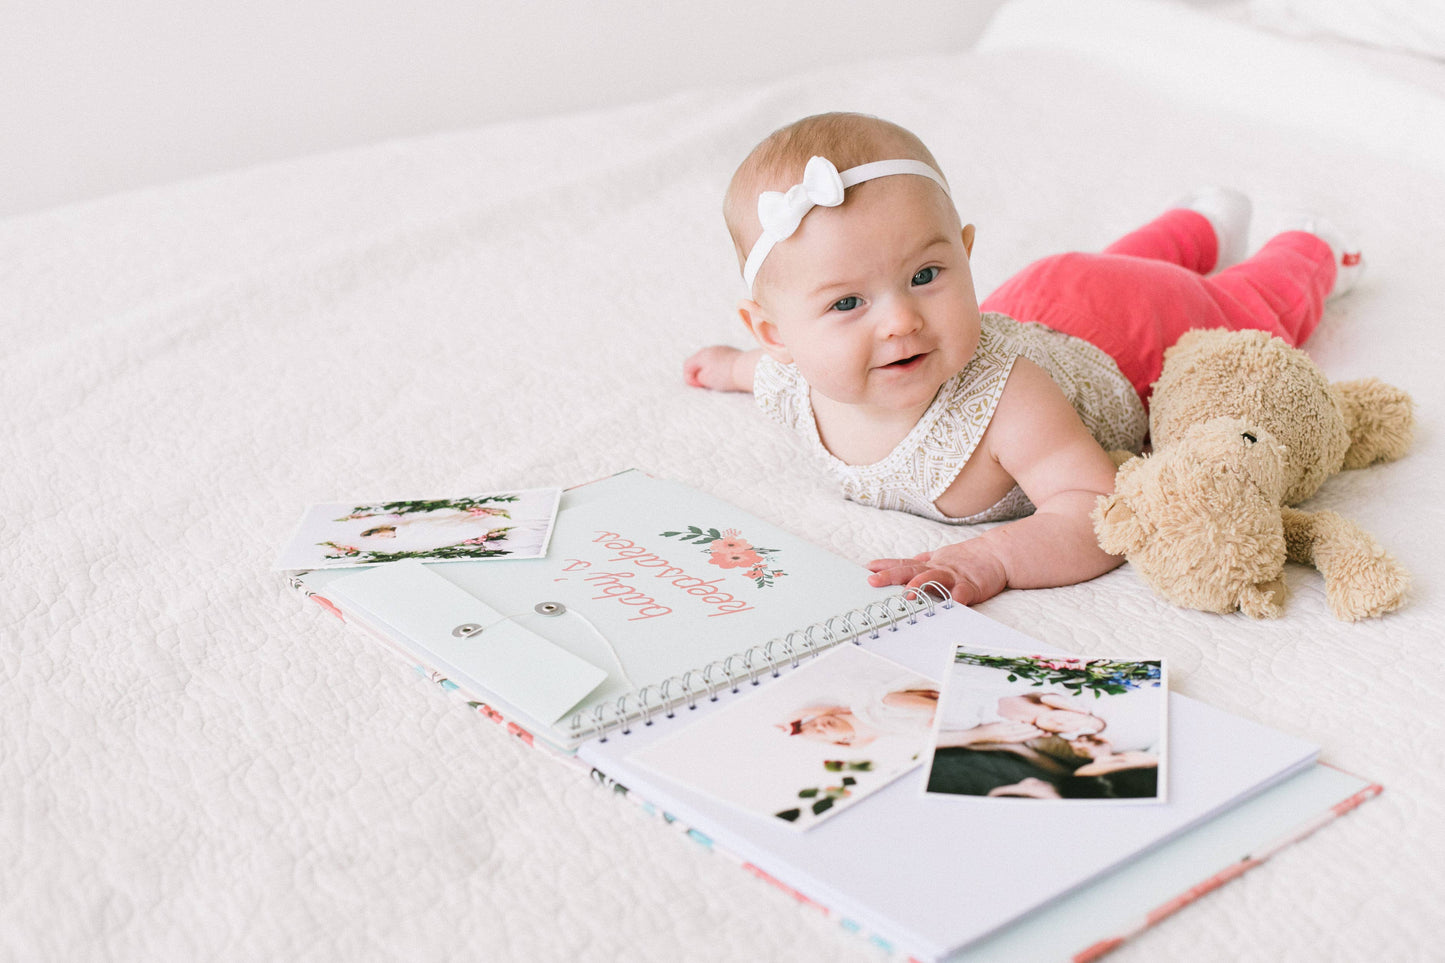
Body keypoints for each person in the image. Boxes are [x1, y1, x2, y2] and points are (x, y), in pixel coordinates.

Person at [684, 112, 1360, 604]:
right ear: (774, 334)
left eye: (925, 275)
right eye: (845, 304)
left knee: (1237, 309)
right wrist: (724, 367)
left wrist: (995, 558)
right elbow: (757, 371)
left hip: (1120, 333)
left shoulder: (1008, 400)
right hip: (1043, 294)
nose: (900, 321)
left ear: (963, 253)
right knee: (1116, 260)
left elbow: (1094, 505)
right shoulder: (787, 377)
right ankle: (1201, 222)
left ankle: (1309, 249)